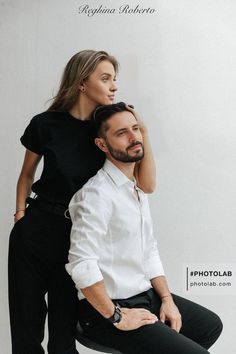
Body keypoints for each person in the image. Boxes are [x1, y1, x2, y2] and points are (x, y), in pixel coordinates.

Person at [8, 50, 157, 354]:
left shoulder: (106, 131)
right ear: (81, 83)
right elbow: (26, 174)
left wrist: (143, 129)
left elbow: (146, 184)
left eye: (115, 79)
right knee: (25, 328)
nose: (113, 85)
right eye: (105, 78)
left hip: (77, 239)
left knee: (63, 334)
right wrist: (21, 214)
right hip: (34, 232)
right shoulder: (45, 123)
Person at [66, 102, 223, 354]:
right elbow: (81, 264)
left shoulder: (135, 190)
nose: (133, 137)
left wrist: (167, 299)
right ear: (102, 145)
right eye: (121, 133)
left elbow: (149, 250)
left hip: (144, 296)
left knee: (209, 326)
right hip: (106, 312)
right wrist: (117, 316)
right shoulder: (97, 195)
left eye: (135, 129)